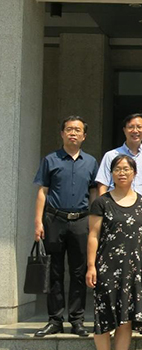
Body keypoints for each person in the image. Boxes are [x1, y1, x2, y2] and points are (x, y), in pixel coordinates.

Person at [86, 155, 142, 350]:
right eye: (117, 169)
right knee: (104, 316)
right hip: (106, 267)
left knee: (127, 318)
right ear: (111, 174)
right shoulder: (101, 202)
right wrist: (91, 266)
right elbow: (93, 235)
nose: (122, 173)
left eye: (126, 169)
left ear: (135, 173)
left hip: (134, 268)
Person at [33, 115, 98, 338]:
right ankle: (55, 320)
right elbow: (42, 191)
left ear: (84, 136)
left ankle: (77, 320)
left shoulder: (91, 162)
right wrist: (38, 221)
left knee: (79, 271)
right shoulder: (50, 160)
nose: (73, 133)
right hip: (54, 220)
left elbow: (93, 193)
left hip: (81, 220)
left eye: (77, 130)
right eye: (69, 129)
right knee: (54, 270)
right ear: (62, 133)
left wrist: (94, 221)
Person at [96, 113, 142, 196]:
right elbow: (103, 185)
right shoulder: (111, 155)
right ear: (124, 130)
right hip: (115, 202)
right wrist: (105, 203)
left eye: (139, 127)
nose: (135, 131)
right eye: (131, 127)